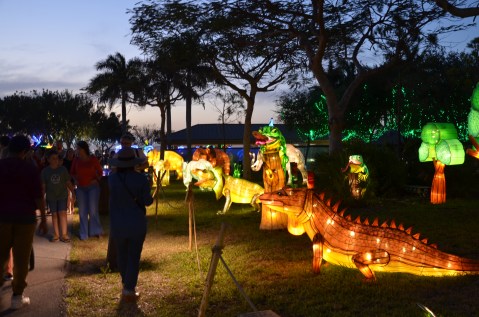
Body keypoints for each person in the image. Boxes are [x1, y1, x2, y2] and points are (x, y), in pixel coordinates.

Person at [0, 135, 48, 310]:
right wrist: (43, 219)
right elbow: (38, 197)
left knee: (1, 254)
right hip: (25, 218)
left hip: (2, 217)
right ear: (24, 151)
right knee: (21, 258)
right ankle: (17, 296)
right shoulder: (30, 169)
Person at [108, 147, 153, 303]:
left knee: (122, 254)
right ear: (134, 163)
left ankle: (125, 284)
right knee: (134, 256)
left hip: (118, 223)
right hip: (136, 223)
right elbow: (147, 201)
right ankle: (129, 288)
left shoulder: (112, 179)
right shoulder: (141, 179)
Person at [70, 141, 103, 240]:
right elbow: (72, 172)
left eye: (79, 148)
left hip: (93, 187)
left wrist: (96, 180)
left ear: (84, 149)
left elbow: (100, 172)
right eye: (77, 148)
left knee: (93, 210)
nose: (77, 150)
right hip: (81, 188)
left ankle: (96, 230)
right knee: (82, 211)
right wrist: (75, 180)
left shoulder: (92, 159)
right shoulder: (76, 160)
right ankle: (84, 233)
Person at [41, 149, 75, 242]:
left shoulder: (63, 170)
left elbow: (68, 182)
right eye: (53, 158)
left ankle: (64, 234)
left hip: (62, 195)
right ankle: (56, 234)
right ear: (48, 160)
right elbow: (43, 186)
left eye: (56, 158)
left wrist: (73, 191)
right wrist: (42, 196)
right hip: (51, 196)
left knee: (62, 213)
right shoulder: (45, 171)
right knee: (54, 214)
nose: (55, 160)